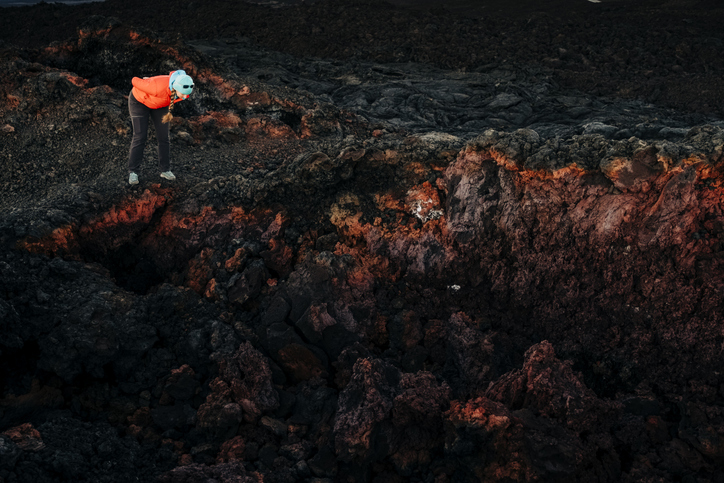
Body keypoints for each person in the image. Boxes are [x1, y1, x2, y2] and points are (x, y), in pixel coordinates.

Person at [127, 70, 194, 185]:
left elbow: (178, 95)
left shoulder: (183, 88)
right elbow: (134, 80)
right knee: (140, 136)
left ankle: (165, 170)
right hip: (139, 102)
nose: (184, 97)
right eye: (182, 93)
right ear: (175, 87)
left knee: (164, 137)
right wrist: (146, 82)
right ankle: (133, 172)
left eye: (186, 94)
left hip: (159, 104)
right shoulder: (156, 88)